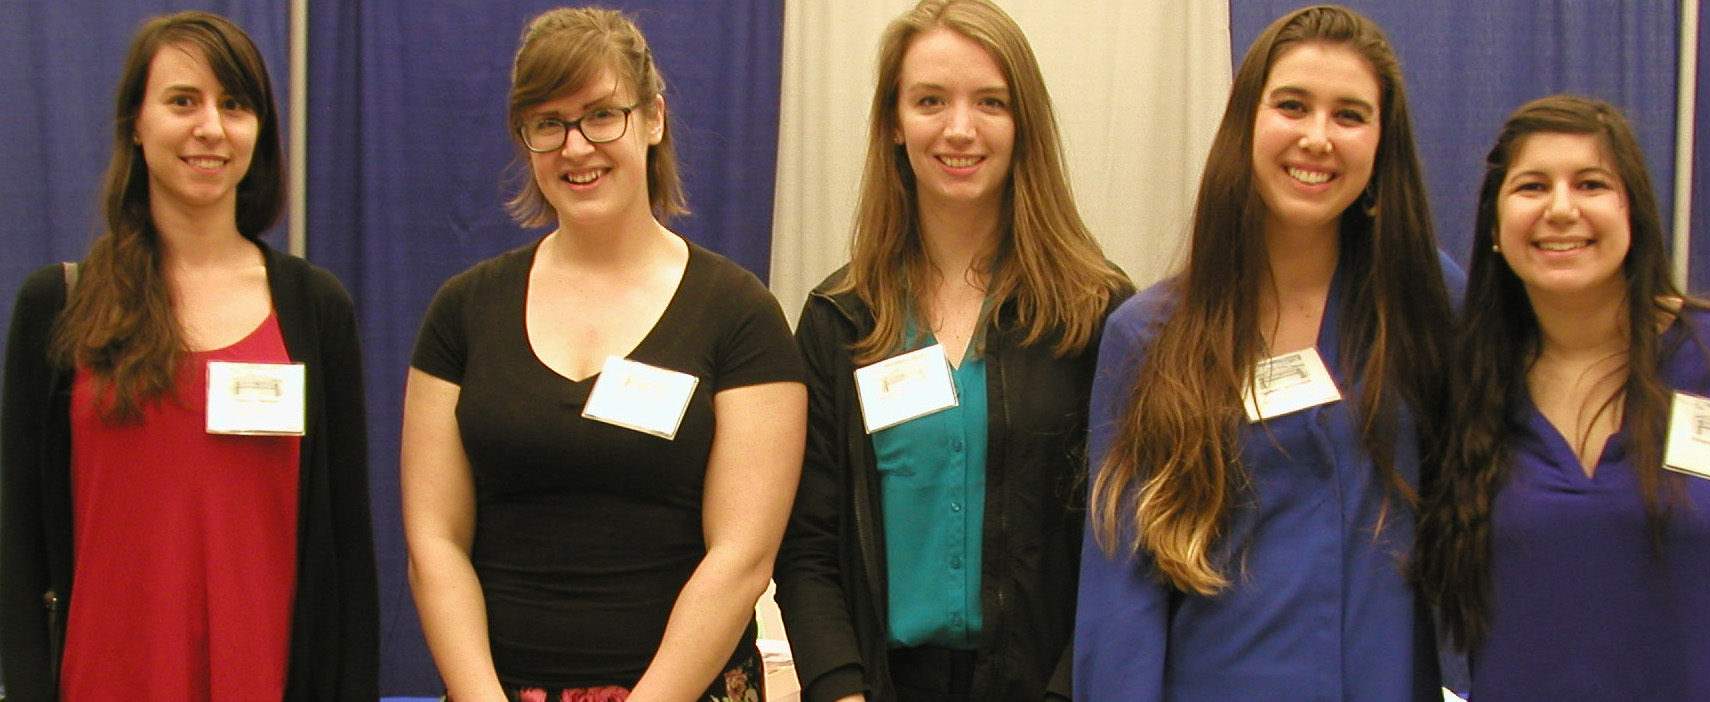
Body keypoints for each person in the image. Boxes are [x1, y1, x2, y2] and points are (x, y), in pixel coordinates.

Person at [400, 7, 805, 702]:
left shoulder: (740, 316)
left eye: (601, 115)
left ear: (653, 119)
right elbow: (434, 542)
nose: (576, 146)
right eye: (548, 123)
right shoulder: (463, 312)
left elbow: (743, 558)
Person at [1076, 6, 1454, 700]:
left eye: (1349, 115)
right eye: (1292, 106)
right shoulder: (1147, 336)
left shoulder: (1431, 305)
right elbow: (1119, 597)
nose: (1317, 137)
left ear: (1381, 144)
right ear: (1246, 122)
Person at [0, 11, 377, 702]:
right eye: (183, 101)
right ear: (135, 126)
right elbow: (18, 545)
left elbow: (348, 548)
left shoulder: (315, 309)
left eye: (234, 105)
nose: (210, 127)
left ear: (258, 132)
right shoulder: (57, 306)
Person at [1413, 95, 1710, 701]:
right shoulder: (1456, 393)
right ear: (1496, 230)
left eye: (1590, 184)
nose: (1562, 209)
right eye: (1532, 186)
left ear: (1633, 212)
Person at [772, 1, 1130, 700]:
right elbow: (808, 547)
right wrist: (840, 689)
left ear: (1023, 123)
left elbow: (1122, 543)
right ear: (894, 126)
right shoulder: (838, 322)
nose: (959, 128)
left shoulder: (1097, 317)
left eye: (990, 102)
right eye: (931, 100)